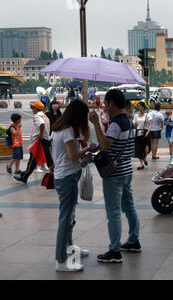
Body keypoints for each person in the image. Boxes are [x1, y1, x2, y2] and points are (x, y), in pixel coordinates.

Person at [88, 89, 140, 263]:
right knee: (130, 207)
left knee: (114, 212)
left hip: (114, 174)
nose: (104, 106)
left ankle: (115, 251)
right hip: (126, 170)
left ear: (111, 103)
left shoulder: (116, 124)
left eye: (105, 103)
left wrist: (95, 123)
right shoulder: (129, 122)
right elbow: (118, 145)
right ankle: (133, 240)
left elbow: (105, 145)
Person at [52, 100, 96, 272]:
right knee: (65, 218)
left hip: (65, 175)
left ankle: (70, 249)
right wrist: (88, 150)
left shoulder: (57, 128)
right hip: (67, 178)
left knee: (69, 216)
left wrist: (82, 159)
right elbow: (72, 156)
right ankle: (61, 260)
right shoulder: (68, 130)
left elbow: (63, 156)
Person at [14, 101, 54, 184]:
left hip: (40, 140)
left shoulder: (37, 116)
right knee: (45, 159)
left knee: (33, 159)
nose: (32, 109)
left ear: (37, 108)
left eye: (33, 107)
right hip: (45, 140)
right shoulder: (44, 115)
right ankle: (25, 175)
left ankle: (25, 176)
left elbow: (42, 125)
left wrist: (40, 135)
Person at [133, 101, 151, 170]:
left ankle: (144, 158)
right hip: (138, 132)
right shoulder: (136, 116)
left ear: (143, 107)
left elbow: (149, 125)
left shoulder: (147, 115)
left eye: (139, 106)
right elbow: (135, 125)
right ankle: (141, 164)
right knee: (138, 148)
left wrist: (148, 132)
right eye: (138, 106)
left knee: (147, 148)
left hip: (146, 132)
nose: (138, 107)